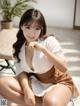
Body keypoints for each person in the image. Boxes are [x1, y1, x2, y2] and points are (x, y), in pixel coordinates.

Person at [0, 8, 79, 106]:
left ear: (42, 29)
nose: (32, 33)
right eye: (28, 27)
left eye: (37, 28)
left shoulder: (49, 41)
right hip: (36, 82)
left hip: (58, 82)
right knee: (2, 84)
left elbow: (64, 67)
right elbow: (20, 71)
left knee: (50, 102)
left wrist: (44, 50)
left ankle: (51, 100)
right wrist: (27, 90)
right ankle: (37, 102)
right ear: (21, 26)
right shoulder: (18, 46)